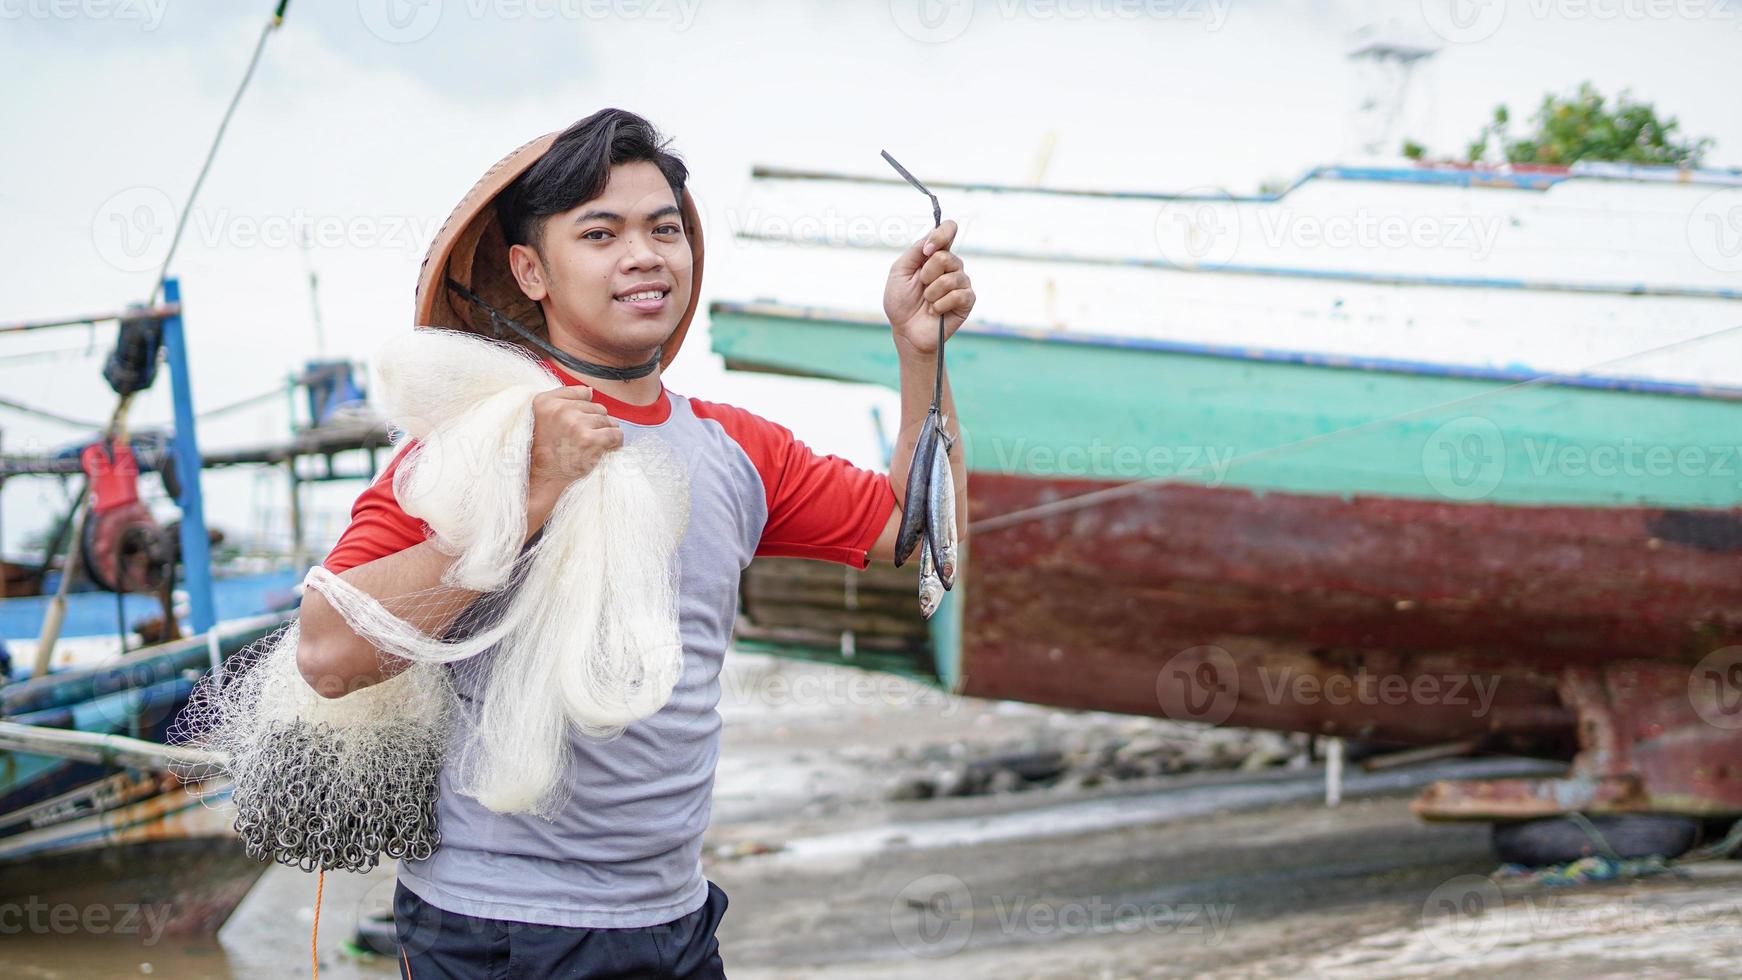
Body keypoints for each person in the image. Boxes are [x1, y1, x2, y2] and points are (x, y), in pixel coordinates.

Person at [293, 108, 974, 979]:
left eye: (664, 229)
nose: (645, 255)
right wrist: (534, 492)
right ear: (530, 270)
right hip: (499, 928)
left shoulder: (738, 450)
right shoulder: (472, 442)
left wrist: (921, 353)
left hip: (675, 915)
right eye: (600, 233)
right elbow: (328, 652)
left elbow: (915, 531)